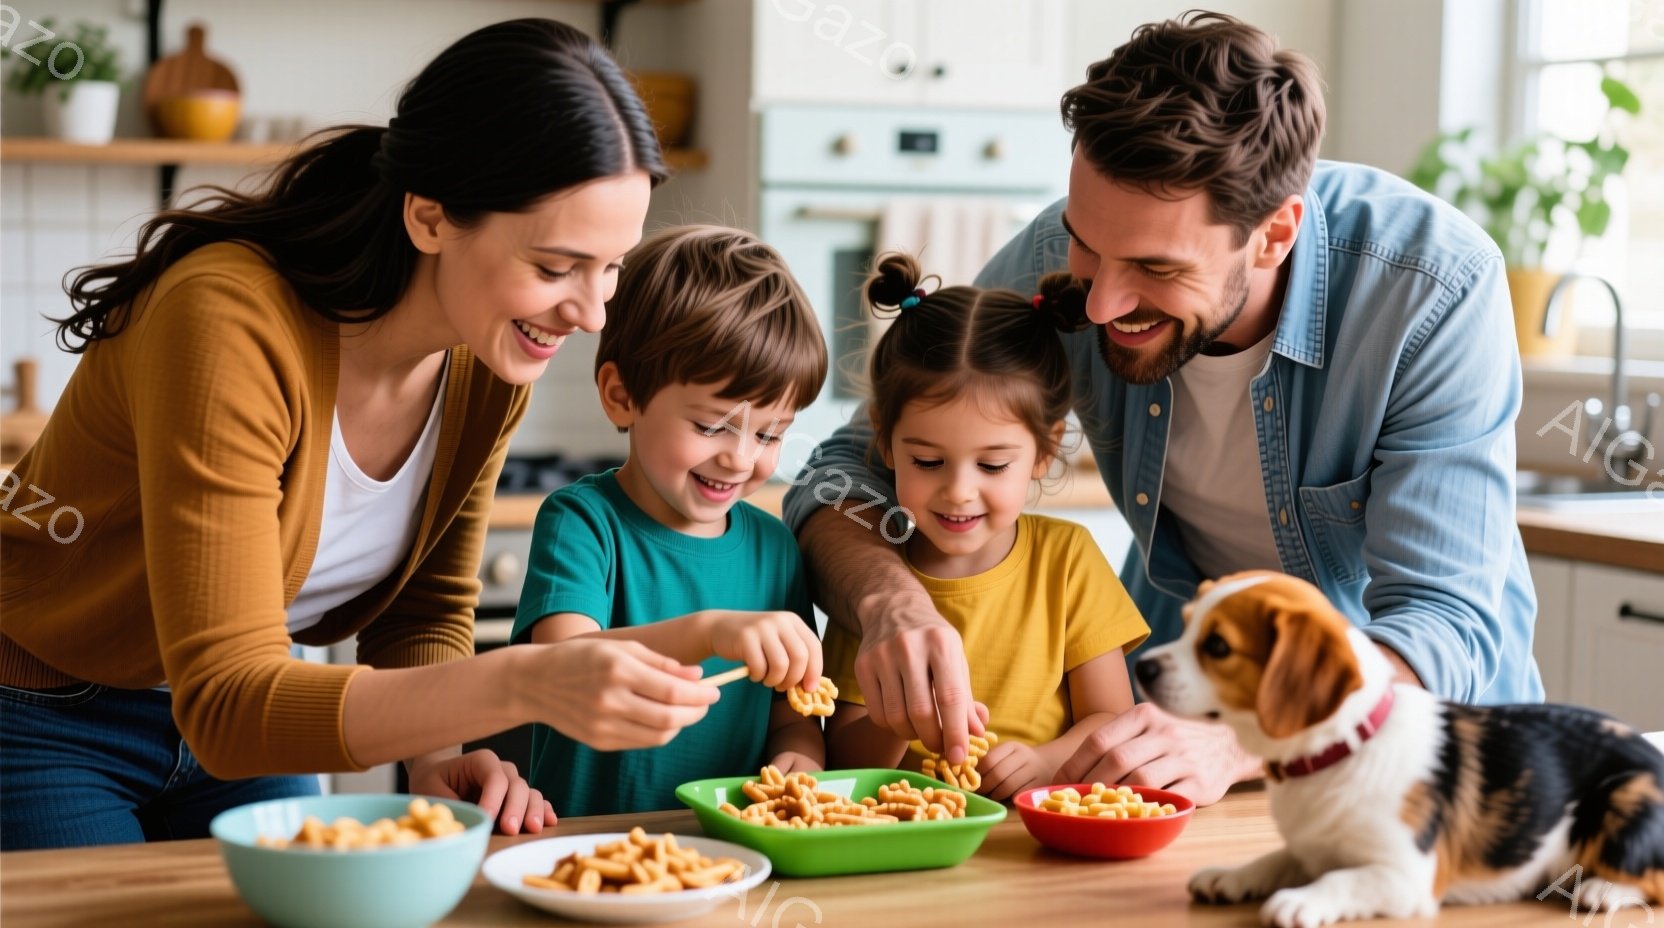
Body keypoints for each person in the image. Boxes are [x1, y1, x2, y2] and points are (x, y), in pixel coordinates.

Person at [782, 11, 1543, 806]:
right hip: (1182, 738)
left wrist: (1252, 735)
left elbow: (1445, 623)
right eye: (1086, 243)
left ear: (1274, 233)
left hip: (1403, 763)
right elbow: (837, 473)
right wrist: (888, 599)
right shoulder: (1057, 261)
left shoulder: (1429, 287)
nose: (1102, 302)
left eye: (1154, 265)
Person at [0, 19, 722, 850]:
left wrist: (435, 755)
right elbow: (229, 703)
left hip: (251, 717)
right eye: (556, 267)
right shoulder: (226, 321)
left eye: (613, 266)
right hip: (44, 708)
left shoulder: (489, 357)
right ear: (429, 217)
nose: (592, 314)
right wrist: (528, 682)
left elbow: (423, 608)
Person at [510, 225, 829, 816]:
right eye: (711, 426)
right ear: (621, 396)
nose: (739, 457)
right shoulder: (583, 522)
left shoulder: (775, 548)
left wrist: (801, 758)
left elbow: (794, 716)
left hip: (730, 858)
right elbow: (567, 668)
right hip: (585, 850)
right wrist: (709, 633)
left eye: (770, 434)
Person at [821, 254, 1150, 803]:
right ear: (884, 439)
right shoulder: (874, 581)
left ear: (1045, 450)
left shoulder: (1066, 560)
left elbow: (1110, 720)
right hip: (912, 838)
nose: (958, 491)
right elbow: (843, 759)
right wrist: (904, 712)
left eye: (993, 466)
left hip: (1040, 834)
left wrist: (1046, 762)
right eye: (927, 462)